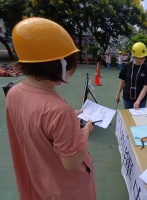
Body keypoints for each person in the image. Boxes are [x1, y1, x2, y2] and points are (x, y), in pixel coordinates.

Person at [5, 17, 96, 200]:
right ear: (61, 64)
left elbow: (35, 124)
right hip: (67, 190)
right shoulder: (58, 111)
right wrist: (85, 131)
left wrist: (69, 118)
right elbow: (72, 163)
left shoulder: (14, 93)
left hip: (36, 182)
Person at [115, 42, 147, 109]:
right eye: (138, 58)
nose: (140, 60)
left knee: (139, 118)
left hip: (141, 100)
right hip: (127, 98)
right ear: (134, 56)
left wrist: (138, 101)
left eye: (143, 58)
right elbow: (122, 82)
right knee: (128, 117)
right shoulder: (127, 66)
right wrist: (118, 94)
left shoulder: (146, 69)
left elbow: (145, 87)